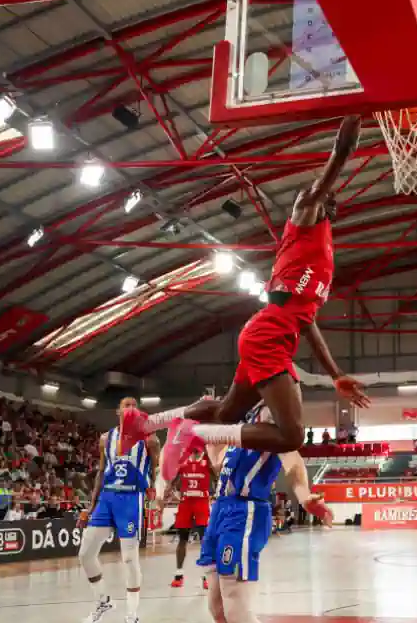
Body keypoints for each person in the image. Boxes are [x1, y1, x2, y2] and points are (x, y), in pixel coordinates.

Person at [121, 117, 371, 468]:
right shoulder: (303, 220)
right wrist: (343, 149)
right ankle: (192, 433)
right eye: (320, 191)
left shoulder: (323, 251)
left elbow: (307, 321)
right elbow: (319, 186)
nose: (320, 193)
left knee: (225, 413)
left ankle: (145, 423)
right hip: (267, 337)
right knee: (292, 436)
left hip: (271, 335)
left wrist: (335, 375)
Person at [199, 404, 333, 623]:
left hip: (245, 513)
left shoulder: (276, 434)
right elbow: (219, 467)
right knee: (217, 607)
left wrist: (304, 495)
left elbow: (294, 465)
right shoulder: (240, 431)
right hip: (220, 510)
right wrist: (211, 440)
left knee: (236, 608)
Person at [78, 397, 161, 623]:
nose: (130, 408)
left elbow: (156, 470)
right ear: (118, 411)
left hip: (131, 497)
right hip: (107, 497)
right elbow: (101, 471)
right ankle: (102, 601)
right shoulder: (106, 439)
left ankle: (132, 614)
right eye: (126, 404)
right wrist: (91, 506)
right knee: (85, 554)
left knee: (129, 559)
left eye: (134, 405)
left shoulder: (150, 439)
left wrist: (154, 498)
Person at [167, 447, 214, 590]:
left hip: (202, 502)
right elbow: (172, 483)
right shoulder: (183, 462)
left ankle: (206, 577)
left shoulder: (207, 460)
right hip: (186, 502)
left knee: (204, 540)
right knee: (182, 539)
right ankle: (178, 575)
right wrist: (172, 492)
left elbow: (217, 476)